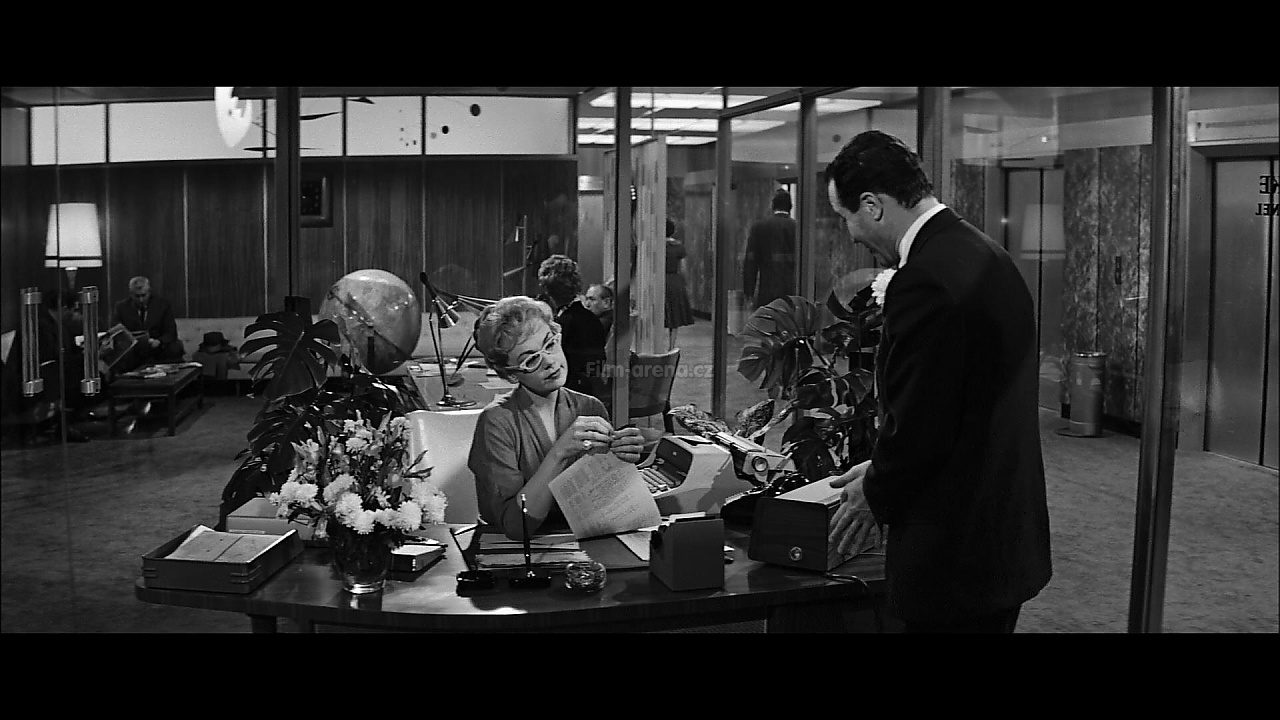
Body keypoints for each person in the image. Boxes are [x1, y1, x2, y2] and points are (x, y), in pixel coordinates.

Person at [823, 130, 1052, 634]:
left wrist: (877, 488)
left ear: (872, 206)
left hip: (956, 548)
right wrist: (880, 465)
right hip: (1002, 529)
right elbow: (964, 399)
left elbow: (923, 421)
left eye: (846, 217)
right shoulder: (985, 252)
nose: (850, 233)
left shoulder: (925, 279)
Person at [467, 296, 646, 540]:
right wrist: (559, 453)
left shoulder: (590, 406)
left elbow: (602, 503)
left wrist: (623, 462)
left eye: (550, 345)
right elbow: (516, 526)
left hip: (580, 541)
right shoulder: (497, 422)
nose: (550, 362)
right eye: (531, 359)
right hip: (517, 550)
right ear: (511, 374)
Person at [535, 255, 608, 401]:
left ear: (549, 290)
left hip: (567, 395)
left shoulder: (562, 324)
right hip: (588, 392)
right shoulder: (591, 318)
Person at [112, 276, 183, 372]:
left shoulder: (163, 305)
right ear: (131, 294)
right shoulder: (121, 307)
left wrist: (159, 341)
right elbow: (116, 331)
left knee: (175, 347)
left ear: (149, 292)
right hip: (134, 348)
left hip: (158, 346)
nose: (141, 300)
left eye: (143, 295)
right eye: (137, 296)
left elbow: (171, 332)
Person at [743, 188, 797, 310]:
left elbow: (750, 263)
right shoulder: (797, 228)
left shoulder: (759, 227)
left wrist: (749, 293)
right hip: (792, 292)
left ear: (772, 206)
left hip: (767, 290)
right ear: (790, 207)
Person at [663, 219, 694, 350]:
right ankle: (671, 346)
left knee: (660, 312)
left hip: (660, 280)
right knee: (674, 316)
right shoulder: (678, 247)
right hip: (675, 281)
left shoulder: (657, 246)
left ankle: (657, 345)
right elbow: (683, 268)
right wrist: (685, 283)